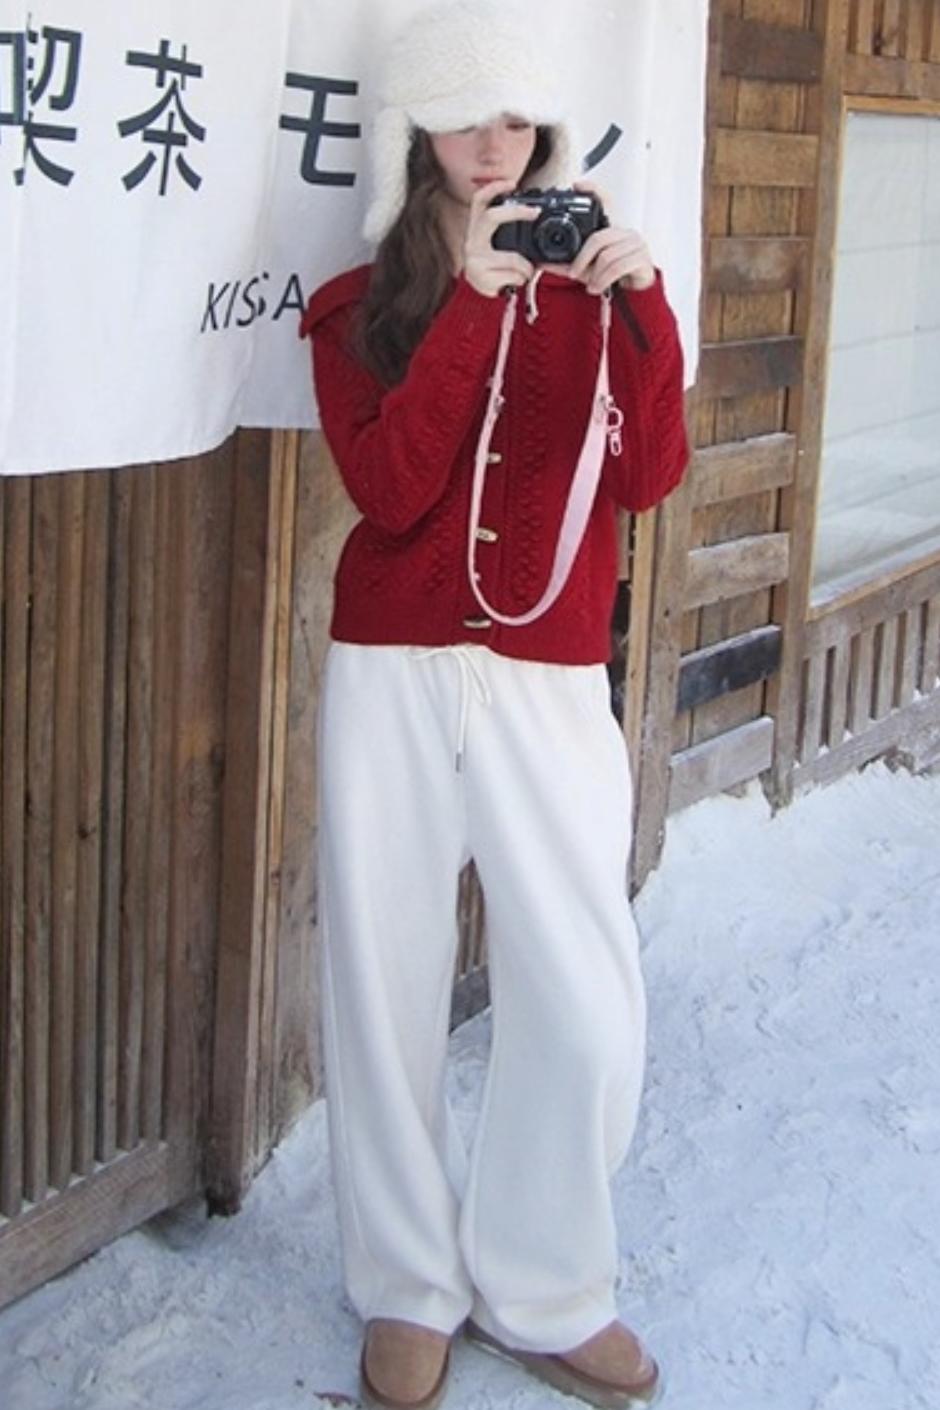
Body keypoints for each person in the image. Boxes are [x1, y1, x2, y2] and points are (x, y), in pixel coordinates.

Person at [299, 4, 689, 1407]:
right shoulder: (355, 308)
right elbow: (391, 488)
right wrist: (468, 304)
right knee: (384, 976)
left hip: (550, 679)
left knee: (583, 993)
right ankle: (408, 1282)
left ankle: (546, 1281)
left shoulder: (596, 293)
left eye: (517, 119)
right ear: (416, 134)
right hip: (392, 673)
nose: (494, 146)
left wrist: (642, 307)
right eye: (465, 118)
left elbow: (647, 475)